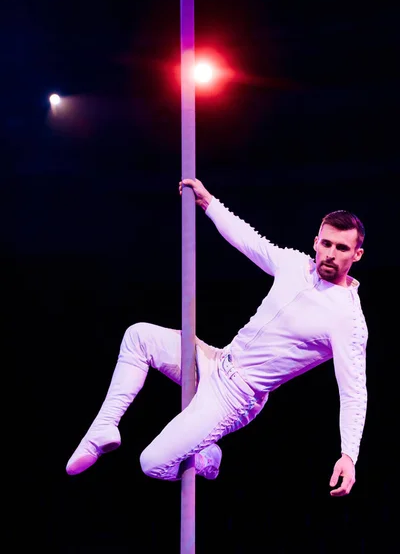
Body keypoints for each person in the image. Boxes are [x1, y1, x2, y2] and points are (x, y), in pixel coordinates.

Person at [66, 178, 368, 497]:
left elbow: (353, 392)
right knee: (138, 336)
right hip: (217, 360)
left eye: (342, 248)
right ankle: (103, 427)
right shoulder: (296, 266)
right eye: (326, 244)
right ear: (316, 241)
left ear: (357, 254)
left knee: (152, 462)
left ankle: (208, 456)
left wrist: (349, 455)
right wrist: (209, 202)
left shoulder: (347, 319)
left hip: (237, 399)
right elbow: (250, 241)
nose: (330, 254)